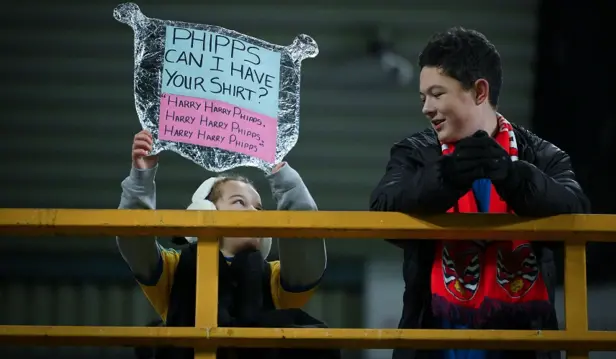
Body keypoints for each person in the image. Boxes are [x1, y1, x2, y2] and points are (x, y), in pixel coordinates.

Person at [369, 27, 590, 359]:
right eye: (422, 97)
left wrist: (515, 179)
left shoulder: (542, 156)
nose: (426, 108)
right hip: (432, 347)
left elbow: (579, 215)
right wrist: (448, 176)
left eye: (437, 93)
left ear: (479, 91)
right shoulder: (414, 152)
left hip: (522, 349)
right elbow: (382, 208)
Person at [118, 130, 339, 359]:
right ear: (205, 211)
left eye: (259, 208)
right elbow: (134, 241)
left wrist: (284, 179)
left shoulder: (274, 279)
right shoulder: (174, 269)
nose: (254, 212)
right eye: (240, 202)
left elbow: (306, 254)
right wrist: (141, 180)